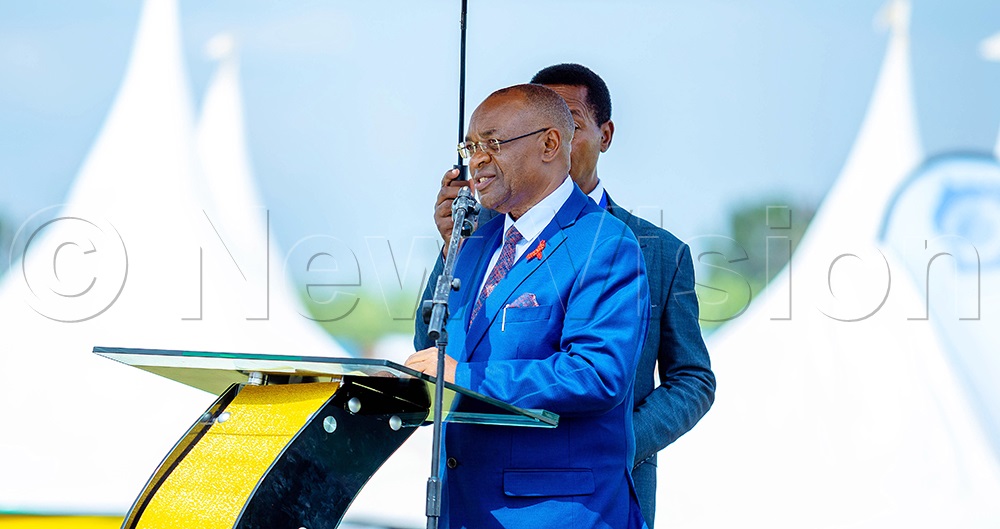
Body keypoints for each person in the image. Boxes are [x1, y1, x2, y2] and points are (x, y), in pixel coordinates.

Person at [414, 64, 716, 527]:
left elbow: (647, 376)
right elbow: (435, 351)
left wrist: (620, 439)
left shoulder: (625, 244)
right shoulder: (478, 239)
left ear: (555, 141)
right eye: (472, 147)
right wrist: (451, 247)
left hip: (571, 503)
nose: (478, 160)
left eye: (493, 143)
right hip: (465, 504)